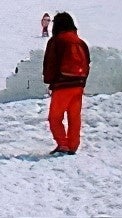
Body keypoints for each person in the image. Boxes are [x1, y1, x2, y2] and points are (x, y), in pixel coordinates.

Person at [43, 12, 90, 156]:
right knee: (74, 117)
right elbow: (87, 63)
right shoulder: (80, 42)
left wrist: (50, 81)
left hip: (62, 85)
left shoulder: (57, 41)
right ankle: (72, 146)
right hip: (78, 85)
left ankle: (62, 144)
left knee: (55, 117)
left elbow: (50, 63)